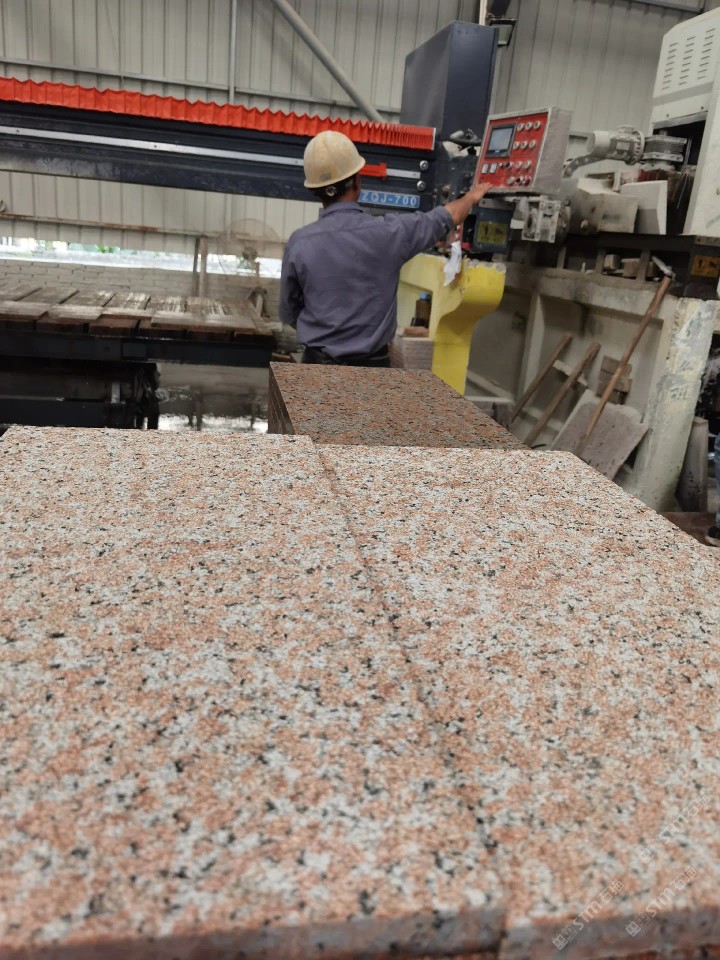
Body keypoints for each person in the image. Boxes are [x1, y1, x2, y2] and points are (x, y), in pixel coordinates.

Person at [280, 130, 491, 367]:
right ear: (357, 181)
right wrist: (471, 197)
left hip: (315, 369)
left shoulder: (299, 243)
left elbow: (289, 312)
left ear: (315, 191)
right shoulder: (391, 233)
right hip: (373, 372)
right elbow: (446, 216)